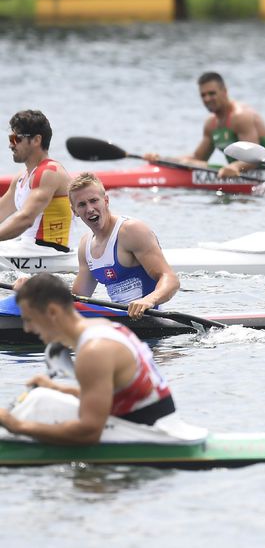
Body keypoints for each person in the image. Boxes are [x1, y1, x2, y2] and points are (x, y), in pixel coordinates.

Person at [0, 274, 178, 445]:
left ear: (53, 311)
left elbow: (89, 432)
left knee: (34, 408)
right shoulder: (102, 327)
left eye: (29, 319)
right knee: (42, 396)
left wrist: (18, 426)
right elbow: (113, 394)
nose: (28, 329)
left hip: (146, 431)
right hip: (145, 416)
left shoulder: (94, 351)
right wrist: (57, 388)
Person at [69, 173, 179, 319]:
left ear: (106, 201)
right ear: (74, 211)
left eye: (94, 201)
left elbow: (171, 279)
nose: (89, 209)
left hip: (147, 318)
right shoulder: (85, 245)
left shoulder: (131, 231)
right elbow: (77, 298)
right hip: (120, 318)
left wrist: (148, 301)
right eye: (82, 205)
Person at [144, 72, 265, 179]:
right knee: (188, 163)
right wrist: (161, 159)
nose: (207, 99)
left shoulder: (241, 117)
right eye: (203, 95)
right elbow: (198, 158)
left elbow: (255, 158)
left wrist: (235, 167)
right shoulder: (211, 124)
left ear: (224, 91)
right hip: (230, 172)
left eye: (212, 93)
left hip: (262, 174)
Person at [0, 110, 72, 252]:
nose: (11, 145)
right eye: (10, 138)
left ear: (36, 140)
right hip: (28, 249)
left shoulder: (49, 173)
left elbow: (26, 219)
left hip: (50, 252)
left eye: (16, 138)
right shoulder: (21, 177)